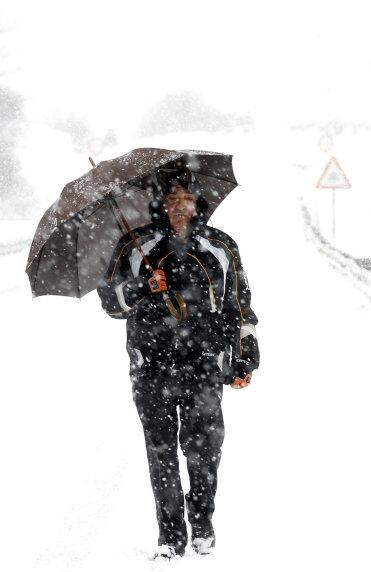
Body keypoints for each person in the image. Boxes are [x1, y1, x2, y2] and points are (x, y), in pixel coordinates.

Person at [97, 168, 260, 560]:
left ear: (197, 202)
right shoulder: (133, 246)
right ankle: (170, 536)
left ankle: (202, 522)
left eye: (185, 199)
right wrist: (142, 286)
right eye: (170, 201)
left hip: (204, 363)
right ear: (159, 205)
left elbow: (240, 304)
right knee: (161, 452)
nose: (177, 208)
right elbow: (110, 303)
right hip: (150, 365)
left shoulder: (221, 246)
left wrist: (245, 356)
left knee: (204, 450)